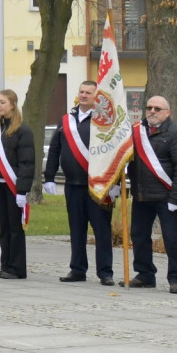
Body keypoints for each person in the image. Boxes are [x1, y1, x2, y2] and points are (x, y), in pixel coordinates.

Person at [43, 80, 116, 286]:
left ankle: (105, 272)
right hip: (72, 184)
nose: (84, 95)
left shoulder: (103, 121)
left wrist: (115, 181)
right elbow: (55, 149)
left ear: (96, 97)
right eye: (81, 91)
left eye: (89, 93)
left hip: (97, 186)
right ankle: (77, 269)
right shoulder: (66, 120)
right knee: (76, 229)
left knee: (101, 230)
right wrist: (49, 177)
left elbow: (113, 151)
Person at [125, 95, 177, 293]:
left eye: (157, 108)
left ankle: (176, 279)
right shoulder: (137, 132)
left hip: (167, 196)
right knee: (139, 236)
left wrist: (176, 196)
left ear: (167, 112)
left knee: (172, 239)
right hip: (142, 194)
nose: (152, 112)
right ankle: (145, 274)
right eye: (149, 108)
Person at [0, 89, 34, 279]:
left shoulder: (22, 131)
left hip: (12, 185)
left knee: (15, 227)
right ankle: (6, 264)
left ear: (13, 104)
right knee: (3, 226)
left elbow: (27, 163)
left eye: (2, 102)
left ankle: (17, 267)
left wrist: (22, 190)